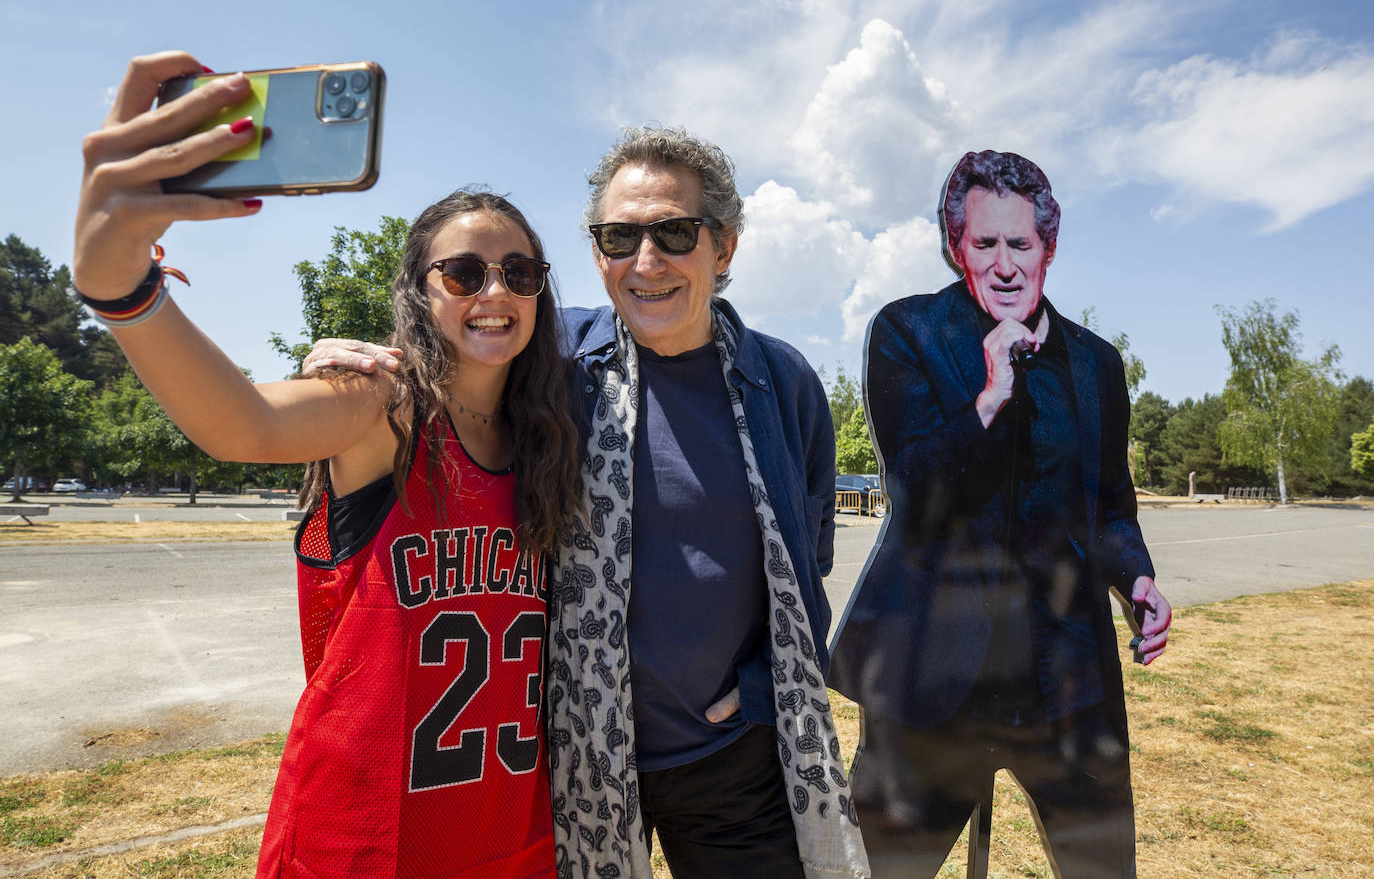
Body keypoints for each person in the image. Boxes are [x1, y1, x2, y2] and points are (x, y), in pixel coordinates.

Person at [305, 126, 869, 879]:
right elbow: (451, 359)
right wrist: (342, 364)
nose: (646, 262)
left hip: (734, 761)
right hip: (572, 756)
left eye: (673, 232)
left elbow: (809, 561)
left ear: (723, 248)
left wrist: (760, 692)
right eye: (617, 237)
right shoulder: (551, 362)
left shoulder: (783, 380)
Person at [73, 52, 581, 878]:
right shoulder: (381, 404)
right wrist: (123, 287)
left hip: (510, 835)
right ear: (422, 290)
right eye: (463, 272)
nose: (494, 290)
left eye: (518, 272)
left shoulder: (552, 440)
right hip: (362, 839)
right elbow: (239, 422)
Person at [827, 150, 1172, 878]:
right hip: (933, 687)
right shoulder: (907, 333)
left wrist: (1136, 581)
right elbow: (917, 498)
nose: (1006, 264)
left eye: (1021, 243)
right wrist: (990, 395)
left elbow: (1109, 507)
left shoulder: (1096, 364)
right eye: (986, 244)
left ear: (1049, 247)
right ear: (958, 248)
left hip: (1068, 685)